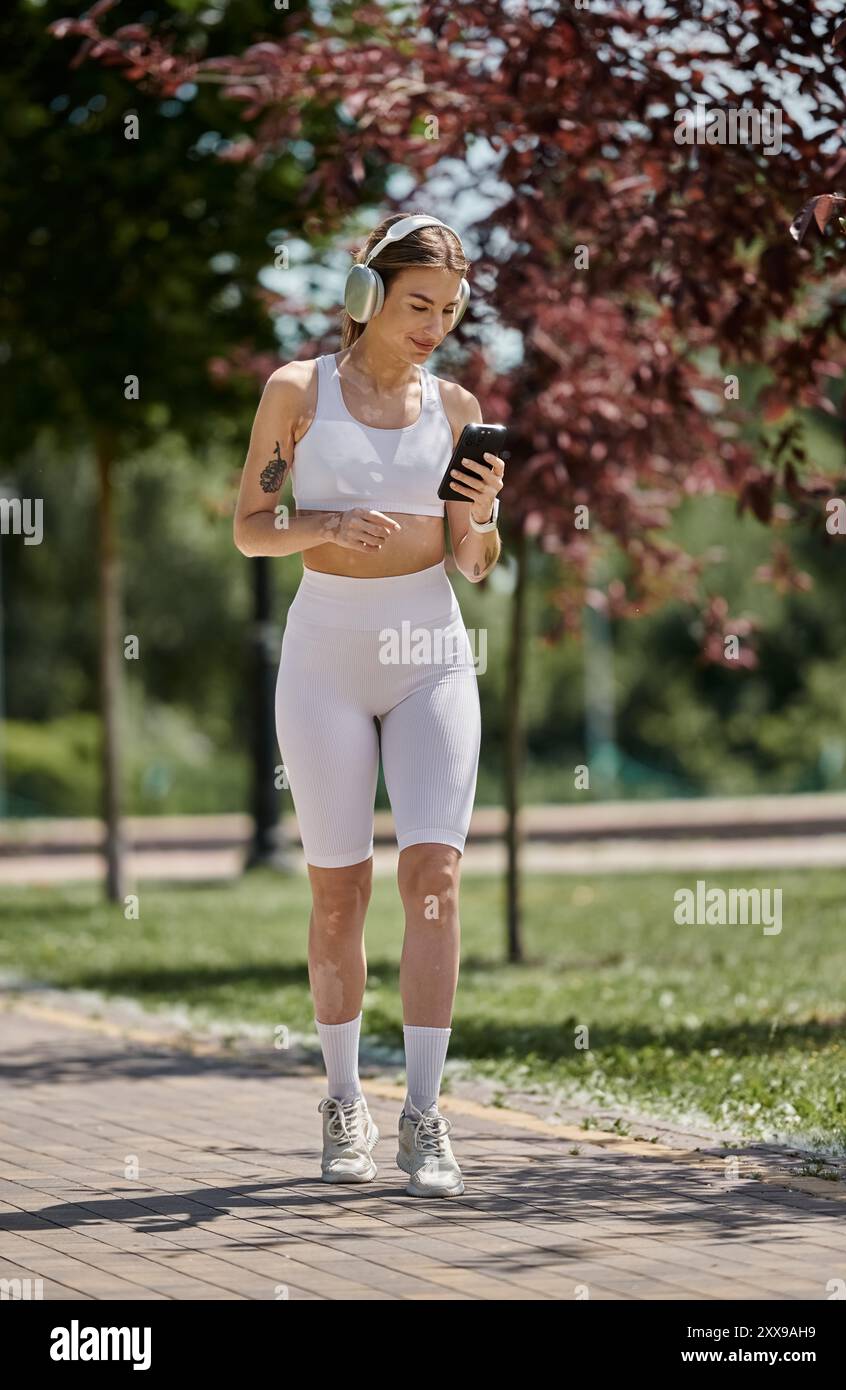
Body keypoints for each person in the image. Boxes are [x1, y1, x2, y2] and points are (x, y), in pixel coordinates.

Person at [233, 213, 505, 1197]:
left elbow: (474, 565)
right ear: (366, 294)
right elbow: (251, 530)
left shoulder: (457, 406)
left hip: (430, 652)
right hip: (325, 658)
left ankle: (424, 1115)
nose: (434, 324)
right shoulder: (296, 392)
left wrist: (479, 517)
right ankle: (343, 1099)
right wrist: (325, 520)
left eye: (450, 309)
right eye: (417, 304)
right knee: (337, 890)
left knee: (433, 875)